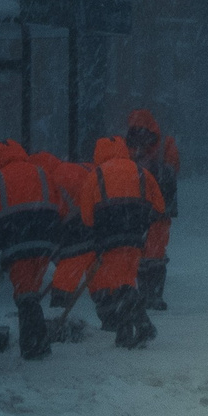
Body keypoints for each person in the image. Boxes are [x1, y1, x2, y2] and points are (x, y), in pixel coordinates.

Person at [0, 141, 60, 360]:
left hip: (16, 241)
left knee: (25, 295)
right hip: (45, 241)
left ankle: (35, 346)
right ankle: (37, 345)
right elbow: (57, 202)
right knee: (31, 291)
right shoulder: (41, 172)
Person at [87, 135, 167, 349]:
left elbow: (86, 215)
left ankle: (143, 325)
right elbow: (159, 206)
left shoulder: (96, 175)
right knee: (126, 282)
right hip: (135, 238)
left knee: (120, 285)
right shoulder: (141, 172)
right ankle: (124, 334)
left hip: (110, 238)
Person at [123, 108, 182, 312]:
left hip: (147, 206)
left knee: (148, 253)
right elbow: (173, 168)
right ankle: (151, 295)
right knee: (151, 253)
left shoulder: (137, 146)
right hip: (155, 206)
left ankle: (149, 295)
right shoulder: (165, 143)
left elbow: (171, 169)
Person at [38, 149, 99, 334]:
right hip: (98, 225)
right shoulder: (80, 168)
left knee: (66, 274)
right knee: (99, 274)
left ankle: (57, 314)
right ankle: (111, 311)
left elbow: (54, 215)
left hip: (76, 231)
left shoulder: (50, 182)